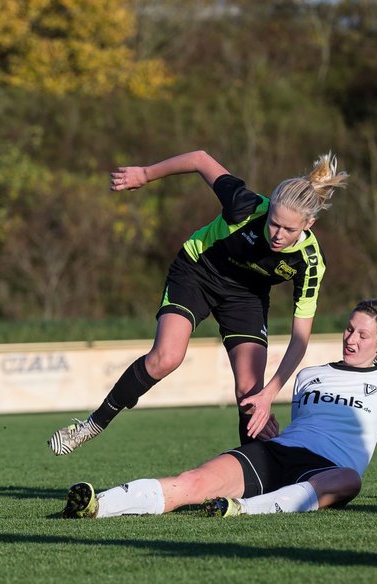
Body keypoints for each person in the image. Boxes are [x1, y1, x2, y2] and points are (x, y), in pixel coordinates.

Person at [48, 149, 352, 456]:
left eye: (289, 229)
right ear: (269, 208)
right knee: (166, 357)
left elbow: (300, 339)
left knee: (250, 394)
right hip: (198, 270)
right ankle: (91, 425)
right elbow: (199, 159)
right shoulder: (244, 205)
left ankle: (251, 480)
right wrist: (144, 174)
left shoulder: (310, 262)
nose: (277, 235)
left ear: (309, 224)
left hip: (246, 295)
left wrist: (268, 395)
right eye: (274, 223)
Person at [62, 299, 377, 519]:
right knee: (191, 482)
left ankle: (243, 510)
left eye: (362, 334)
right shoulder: (310, 375)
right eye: (349, 328)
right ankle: (98, 504)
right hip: (279, 454)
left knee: (349, 479)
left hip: (325, 470)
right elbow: (300, 427)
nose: (351, 338)